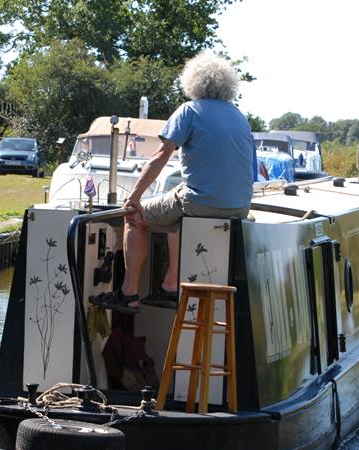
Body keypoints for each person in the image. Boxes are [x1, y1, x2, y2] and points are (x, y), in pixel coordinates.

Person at [91, 51, 254, 313]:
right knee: (177, 205)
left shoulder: (190, 110)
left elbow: (161, 155)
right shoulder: (238, 116)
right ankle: (169, 285)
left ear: (193, 81)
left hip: (201, 203)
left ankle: (128, 293)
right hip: (239, 207)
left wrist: (134, 198)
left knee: (137, 217)